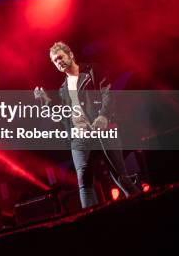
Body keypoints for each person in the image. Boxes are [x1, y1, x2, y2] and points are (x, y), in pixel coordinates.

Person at [35, 41, 140, 208]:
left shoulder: (92, 71)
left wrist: (104, 116)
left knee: (120, 176)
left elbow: (108, 93)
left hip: (103, 130)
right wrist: (46, 102)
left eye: (60, 57)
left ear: (70, 55)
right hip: (79, 139)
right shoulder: (63, 89)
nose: (58, 62)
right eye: (55, 61)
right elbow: (64, 118)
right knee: (84, 183)